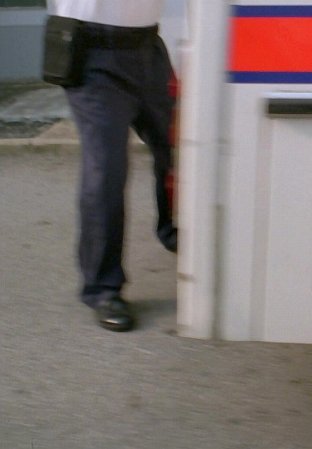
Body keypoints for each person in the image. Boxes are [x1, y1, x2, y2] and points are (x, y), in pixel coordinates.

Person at [52, 0, 177, 332]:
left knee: (181, 147)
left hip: (148, 47)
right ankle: (102, 288)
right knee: (107, 170)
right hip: (93, 52)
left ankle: (174, 230)